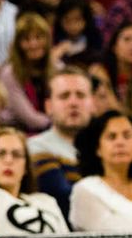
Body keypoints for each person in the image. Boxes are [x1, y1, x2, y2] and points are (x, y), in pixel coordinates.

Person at [28, 68, 94, 206]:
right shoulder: (34, 147)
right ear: (48, 106)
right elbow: (62, 197)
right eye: (64, 96)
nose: (73, 103)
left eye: (80, 95)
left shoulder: (108, 147)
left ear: (92, 103)